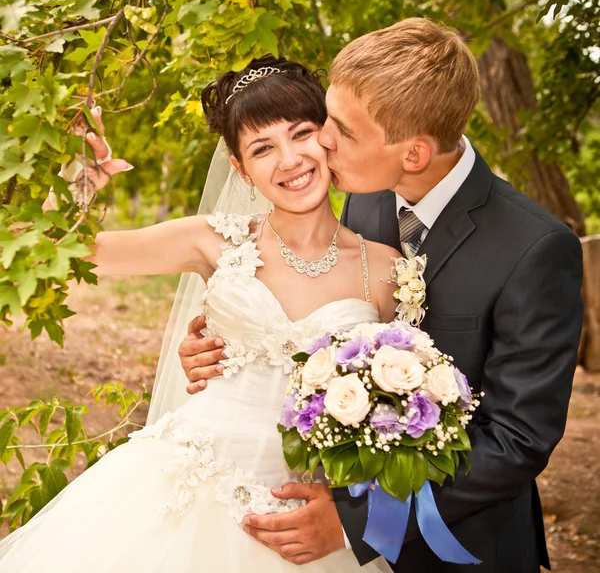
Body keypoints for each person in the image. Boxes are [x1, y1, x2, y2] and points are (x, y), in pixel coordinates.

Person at [178, 18, 584, 572]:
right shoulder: (366, 194)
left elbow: (517, 440)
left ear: (413, 154)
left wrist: (358, 519)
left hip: (462, 547)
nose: (322, 140)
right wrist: (231, 340)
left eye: (341, 130)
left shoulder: (535, 249)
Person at [0, 56, 399, 572]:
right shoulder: (211, 240)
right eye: (262, 148)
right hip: (183, 491)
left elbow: (402, 410)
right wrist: (82, 183)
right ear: (240, 168)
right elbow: (54, 253)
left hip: (313, 521)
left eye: (301, 134)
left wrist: (355, 512)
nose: (289, 160)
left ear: (327, 135)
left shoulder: (386, 269)